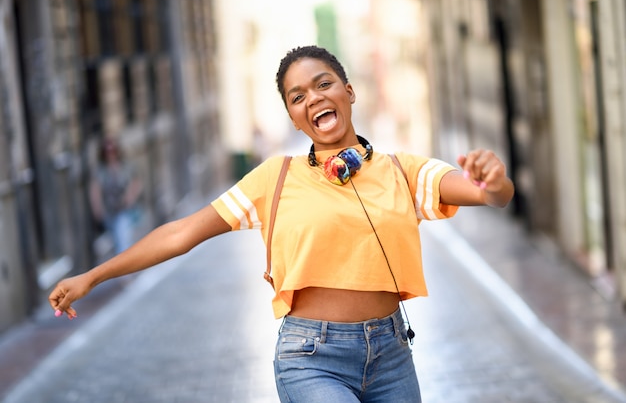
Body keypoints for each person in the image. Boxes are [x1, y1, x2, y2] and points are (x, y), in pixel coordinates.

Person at [50, 46, 514, 402]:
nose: (314, 98)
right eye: (298, 96)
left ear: (348, 92)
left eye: (324, 84)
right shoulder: (275, 179)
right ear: (294, 116)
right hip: (312, 359)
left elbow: (484, 194)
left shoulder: (402, 169)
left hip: (393, 353)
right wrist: (92, 276)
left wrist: (493, 181)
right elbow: (180, 233)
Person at [89, 138, 143, 255]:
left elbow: (136, 182)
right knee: (117, 239)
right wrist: (97, 209)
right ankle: (126, 265)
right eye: (107, 151)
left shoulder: (124, 166)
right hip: (109, 211)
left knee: (123, 238)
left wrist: (130, 197)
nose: (110, 154)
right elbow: (95, 190)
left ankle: (126, 269)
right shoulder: (101, 170)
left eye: (112, 150)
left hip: (124, 209)